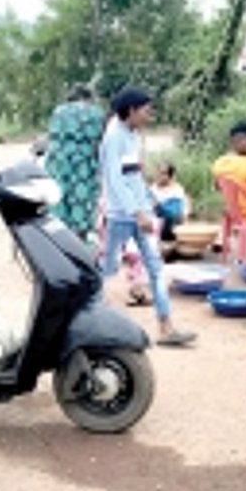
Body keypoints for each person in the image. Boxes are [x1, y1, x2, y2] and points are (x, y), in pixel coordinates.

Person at [99, 87, 196, 347]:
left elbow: (133, 175)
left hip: (139, 213)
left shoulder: (132, 134)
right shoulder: (113, 138)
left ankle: (166, 327)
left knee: (155, 268)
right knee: (107, 269)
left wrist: (147, 203)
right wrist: (136, 211)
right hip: (121, 215)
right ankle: (92, 322)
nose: (150, 115)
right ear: (131, 111)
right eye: (146, 110)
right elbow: (115, 181)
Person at [46, 83, 105, 240]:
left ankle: (57, 242)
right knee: (81, 203)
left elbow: (51, 137)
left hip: (57, 163)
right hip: (82, 164)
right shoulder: (95, 113)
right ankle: (79, 242)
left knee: (58, 200)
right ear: (90, 97)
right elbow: (99, 141)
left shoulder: (58, 111)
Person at [151, 162, 191, 243]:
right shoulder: (152, 189)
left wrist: (159, 206)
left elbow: (175, 214)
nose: (159, 175)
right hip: (154, 224)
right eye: (158, 172)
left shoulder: (176, 190)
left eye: (163, 173)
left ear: (170, 176)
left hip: (170, 226)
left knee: (170, 217)